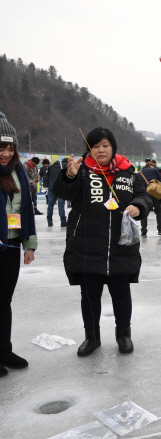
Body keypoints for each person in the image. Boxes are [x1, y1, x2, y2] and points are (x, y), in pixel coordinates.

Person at [53, 127, 152, 357]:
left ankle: (124, 335)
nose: (101, 150)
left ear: (113, 147)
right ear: (90, 149)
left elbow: (144, 195)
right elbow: (62, 192)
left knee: (121, 294)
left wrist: (138, 206)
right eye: (95, 146)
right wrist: (69, 175)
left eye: (105, 145)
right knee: (89, 296)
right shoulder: (82, 171)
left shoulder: (128, 172)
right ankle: (92, 337)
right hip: (87, 246)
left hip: (121, 246)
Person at [0, 112, 37, 378]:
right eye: (0, 147)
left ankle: (4, 349)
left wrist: (29, 245)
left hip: (11, 247)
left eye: (10, 148)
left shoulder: (19, 172)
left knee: (4, 301)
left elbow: (26, 210)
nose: (5, 153)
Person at [139, 158, 161, 236]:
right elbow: (160, 181)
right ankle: (160, 230)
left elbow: (138, 183)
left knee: (144, 212)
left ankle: (143, 232)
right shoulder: (155, 170)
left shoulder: (141, 171)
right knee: (158, 211)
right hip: (154, 192)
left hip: (145, 193)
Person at [46, 158, 67, 227]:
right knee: (61, 206)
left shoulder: (51, 167)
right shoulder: (64, 167)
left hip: (51, 188)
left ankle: (49, 221)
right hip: (60, 188)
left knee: (50, 206)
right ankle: (63, 222)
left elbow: (47, 177)